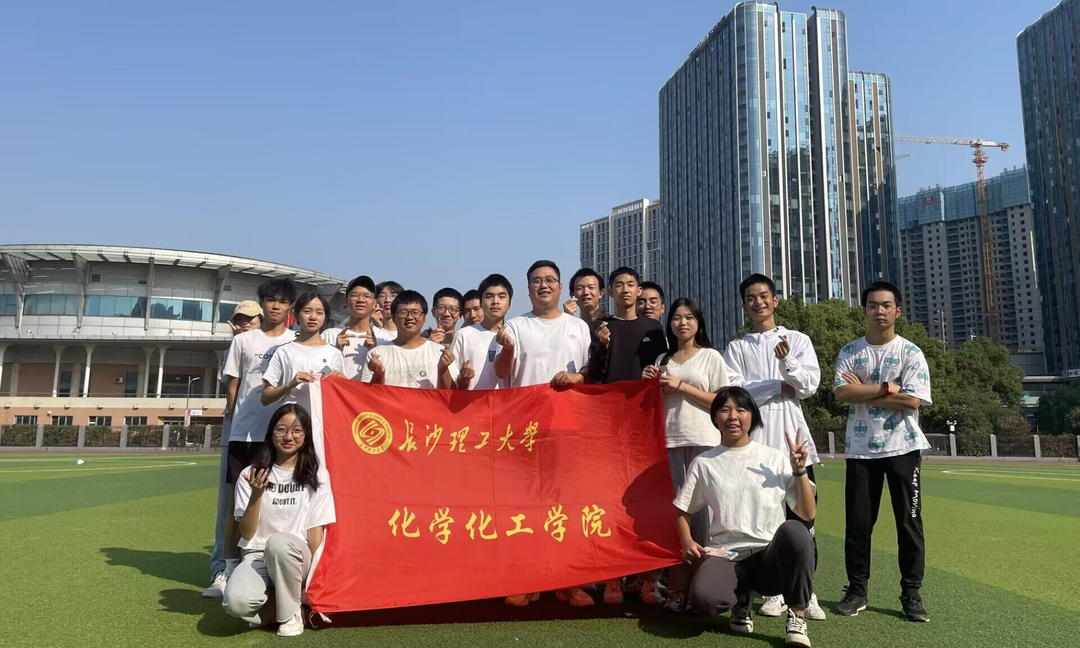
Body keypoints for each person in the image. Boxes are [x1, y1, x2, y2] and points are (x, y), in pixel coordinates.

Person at [675, 386, 816, 648]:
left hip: (768, 558)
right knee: (704, 600)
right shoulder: (704, 463)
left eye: (741, 409)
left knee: (796, 531)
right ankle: (741, 598)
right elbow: (682, 509)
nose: (732, 417)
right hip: (727, 555)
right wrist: (686, 540)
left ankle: (797, 615)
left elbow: (808, 513)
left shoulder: (774, 458)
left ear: (752, 416)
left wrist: (800, 471)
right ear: (715, 417)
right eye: (724, 410)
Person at [723, 274, 826, 621]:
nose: (758, 302)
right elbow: (734, 392)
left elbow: (807, 386)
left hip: (792, 438)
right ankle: (776, 590)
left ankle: (805, 592)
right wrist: (778, 385)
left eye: (764, 296)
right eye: (751, 298)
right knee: (763, 515)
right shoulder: (738, 347)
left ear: (775, 300)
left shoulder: (796, 339)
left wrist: (788, 364)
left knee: (803, 516)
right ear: (744, 305)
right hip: (755, 441)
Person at [834, 281, 932, 623]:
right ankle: (857, 590)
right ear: (865, 310)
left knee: (908, 522)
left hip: (903, 447)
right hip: (860, 450)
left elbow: (913, 400)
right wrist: (888, 388)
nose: (879, 311)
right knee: (858, 524)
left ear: (897, 311)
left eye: (886, 305)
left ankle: (911, 593)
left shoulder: (910, 353)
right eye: (873, 305)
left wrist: (864, 391)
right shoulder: (850, 351)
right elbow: (843, 394)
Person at [494, 260, 590, 607]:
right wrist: (507, 349)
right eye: (537, 281)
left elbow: (590, 369)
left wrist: (579, 377)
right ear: (529, 288)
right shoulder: (516, 326)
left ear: (561, 287)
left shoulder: (578, 327)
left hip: (567, 427)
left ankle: (569, 582)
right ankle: (527, 579)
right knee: (526, 506)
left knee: (566, 505)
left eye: (550, 280)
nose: (544, 285)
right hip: (525, 429)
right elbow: (501, 372)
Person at [584, 267, 667, 605]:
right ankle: (612, 578)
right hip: (609, 423)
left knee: (644, 500)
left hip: (644, 423)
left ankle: (647, 579)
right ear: (610, 292)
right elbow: (595, 375)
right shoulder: (603, 327)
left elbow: (663, 370)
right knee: (610, 500)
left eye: (631, 284)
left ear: (638, 290)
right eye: (618, 285)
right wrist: (602, 346)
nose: (626, 290)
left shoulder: (653, 328)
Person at [641, 297, 729, 613]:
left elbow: (721, 401)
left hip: (703, 440)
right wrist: (649, 383)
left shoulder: (711, 357)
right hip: (669, 442)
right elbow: (651, 403)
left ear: (699, 323)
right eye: (677, 318)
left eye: (689, 317)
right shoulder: (663, 358)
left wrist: (681, 385)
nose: (682, 323)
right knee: (676, 516)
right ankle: (677, 588)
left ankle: (701, 587)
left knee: (703, 516)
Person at [222, 404, 336, 638]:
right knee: (236, 603)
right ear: (271, 433)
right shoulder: (250, 474)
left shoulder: (317, 474)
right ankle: (288, 602)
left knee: (279, 544)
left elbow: (316, 532)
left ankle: (290, 615)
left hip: (297, 558)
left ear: (306, 435)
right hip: (258, 555)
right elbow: (247, 533)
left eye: (297, 430)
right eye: (281, 429)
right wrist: (256, 494)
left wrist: (316, 583)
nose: (288, 437)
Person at [221, 279, 298, 592]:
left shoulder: (296, 341)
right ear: (262, 303)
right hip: (245, 434)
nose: (276, 306)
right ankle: (227, 570)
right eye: (271, 300)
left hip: (282, 436)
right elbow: (233, 384)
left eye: (283, 301)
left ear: (291, 307)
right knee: (235, 507)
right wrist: (234, 415)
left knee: (277, 504)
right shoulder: (243, 340)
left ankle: (271, 568)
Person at [204, 300, 263, 599]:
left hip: (267, 436)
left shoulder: (281, 344)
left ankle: (257, 570)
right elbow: (231, 389)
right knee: (228, 506)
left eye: (251, 319)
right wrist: (235, 341)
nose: (245, 323)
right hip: (236, 437)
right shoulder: (236, 347)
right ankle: (222, 571)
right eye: (240, 319)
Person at [262, 293, 345, 414]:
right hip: (291, 420)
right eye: (307, 311)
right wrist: (290, 384)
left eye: (319, 313)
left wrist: (342, 380)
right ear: (296, 314)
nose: (313, 317)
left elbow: (342, 396)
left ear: (325, 317)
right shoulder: (284, 351)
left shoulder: (334, 353)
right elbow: (265, 398)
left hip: (323, 420)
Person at [361, 290, 457, 389]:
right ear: (393, 317)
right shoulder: (377, 354)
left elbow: (451, 394)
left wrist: (443, 370)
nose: (410, 317)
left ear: (424, 318)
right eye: (403, 312)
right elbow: (367, 395)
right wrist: (378, 374)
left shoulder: (440, 353)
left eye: (415, 313)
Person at [321, 276, 395, 379]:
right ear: (346, 300)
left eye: (367, 296)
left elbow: (391, 375)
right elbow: (319, 371)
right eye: (355, 295)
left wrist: (375, 350)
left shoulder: (385, 338)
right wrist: (336, 351)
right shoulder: (329, 335)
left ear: (374, 303)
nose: (360, 300)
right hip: (338, 390)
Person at [450, 275, 512, 390]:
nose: (495, 302)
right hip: (472, 401)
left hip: (506, 401)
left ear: (509, 303)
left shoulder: (515, 334)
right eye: (489, 296)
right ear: (481, 303)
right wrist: (463, 379)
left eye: (502, 296)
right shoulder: (464, 335)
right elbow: (452, 384)